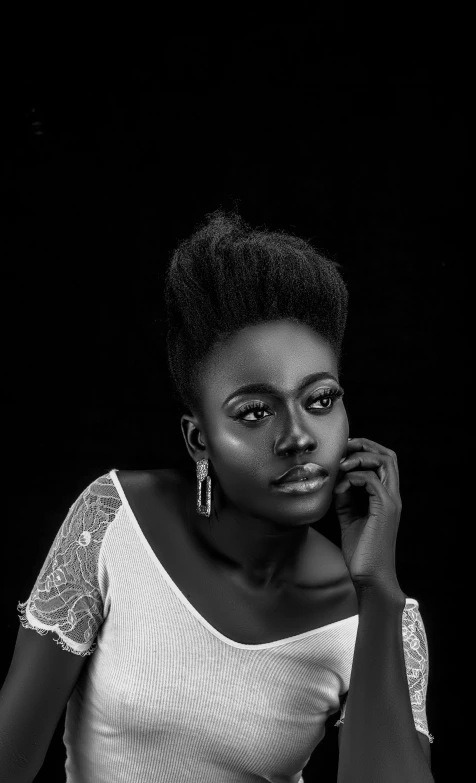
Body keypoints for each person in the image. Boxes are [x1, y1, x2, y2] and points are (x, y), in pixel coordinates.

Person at [1, 208, 432, 782]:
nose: (299, 436)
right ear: (199, 439)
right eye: (256, 412)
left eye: (320, 400)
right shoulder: (113, 522)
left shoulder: (382, 616)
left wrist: (376, 593)